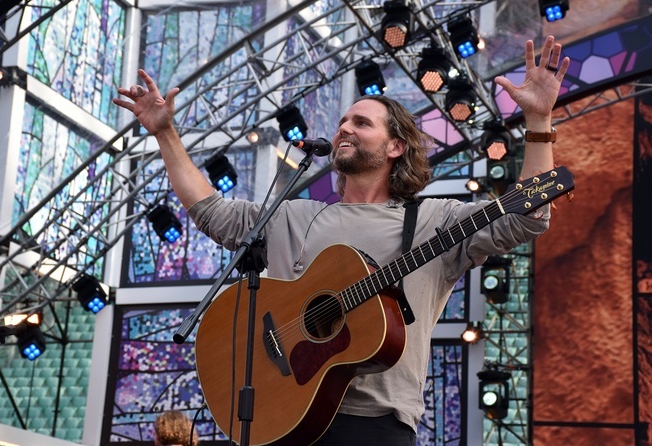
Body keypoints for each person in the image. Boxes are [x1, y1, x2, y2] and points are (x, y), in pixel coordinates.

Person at [115, 36, 569, 446]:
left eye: (362, 122)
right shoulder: (294, 215)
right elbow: (212, 211)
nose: (344, 129)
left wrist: (538, 119)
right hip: (281, 414)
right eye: (342, 122)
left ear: (395, 147)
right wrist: (165, 133)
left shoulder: (433, 219)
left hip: (376, 424)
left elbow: (525, 218)